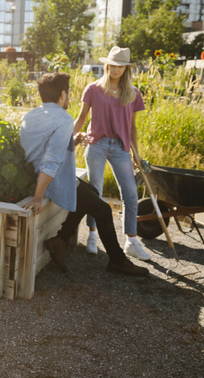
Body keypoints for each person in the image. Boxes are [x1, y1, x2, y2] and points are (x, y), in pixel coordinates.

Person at [19, 72, 148, 277]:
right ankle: (117, 260)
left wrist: (74, 141)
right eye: (68, 93)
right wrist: (37, 197)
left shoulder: (31, 114)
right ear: (62, 94)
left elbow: (44, 145)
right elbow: (51, 161)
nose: (69, 97)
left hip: (34, 175)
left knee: (92, 191)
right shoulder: (63, 119)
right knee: (104, 210)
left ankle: (60, 240)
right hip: (51, 181)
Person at [73, 47, 150, 261]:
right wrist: (68, 139)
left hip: (121, 147)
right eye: (113, 65)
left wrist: (136, 153)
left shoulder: (133, 93)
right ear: (107, 65)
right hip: (96, 144)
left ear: (126, 68)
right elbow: (81, 118)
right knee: (95, 193)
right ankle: (92, 235)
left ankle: (132, 241)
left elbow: (132, 127)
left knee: (131, 194)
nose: (116, 69)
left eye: (120, 66)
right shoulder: (93, 89)